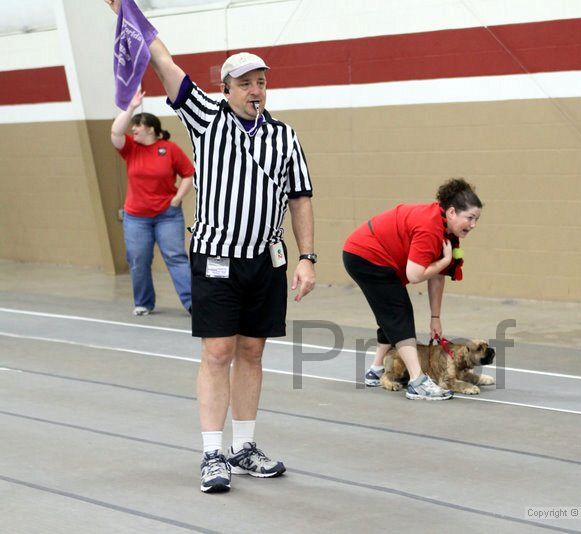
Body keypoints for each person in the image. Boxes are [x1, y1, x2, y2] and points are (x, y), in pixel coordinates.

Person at [104, 1, 316, 494]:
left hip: (266, 259)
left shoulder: (285, 136)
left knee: (253, 351)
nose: (255, 91)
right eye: (245, 83)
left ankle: (244, 447)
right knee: (218, 351)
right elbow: (162, 60)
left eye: (261, 82)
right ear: (226, 89)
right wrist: (127, 9)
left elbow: (300, 197)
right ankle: (212, 454)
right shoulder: (204, 115)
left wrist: (306, 257)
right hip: (217, 256)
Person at [343, 178, 482, 400]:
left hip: (369, 256)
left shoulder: (445, 231)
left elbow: (436, 275)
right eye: (470, 218)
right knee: (399, 314)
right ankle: (418, 382)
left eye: (477, 219)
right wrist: (445, 261)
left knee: (389, 313)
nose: (473, 224)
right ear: (452, 212)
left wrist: (435, 317)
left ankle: (376, 370)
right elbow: (415, 274)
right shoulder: (430, 228)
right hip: (366, 256)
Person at [111, 89, 194, 316]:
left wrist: (178, 199)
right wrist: (131, 108)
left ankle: (194, 304)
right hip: (136, 217)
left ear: (151, 128)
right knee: (138, 260)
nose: (133, 129)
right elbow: (115, 131)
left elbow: (188, 173)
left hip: (167, 215)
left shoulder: (169, 149)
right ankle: (144, 303)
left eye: (138, 125)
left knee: (176, 258)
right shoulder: (130, 149)